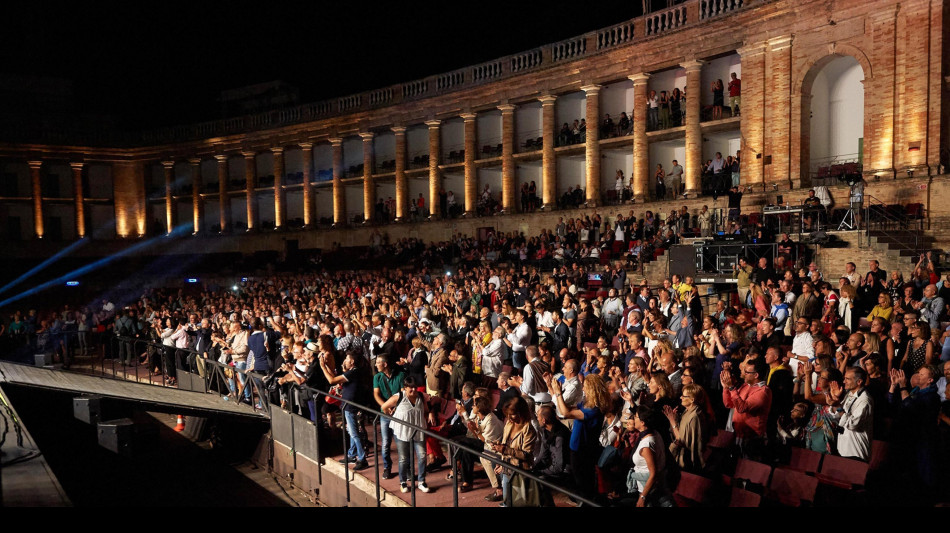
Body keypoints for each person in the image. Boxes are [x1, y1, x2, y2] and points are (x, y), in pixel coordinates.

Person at [551, 373, 610, 501]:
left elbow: (566, 413)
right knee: (579, 481)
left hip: (583, 452)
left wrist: (558, 393)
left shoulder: (593, 411)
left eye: (585, 386)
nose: (583, 389)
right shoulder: (587, 404)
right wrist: (555, 391)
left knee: (583, 483)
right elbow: (564, 408)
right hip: (577, 449)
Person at [322, 350, 372, 471]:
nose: (344, 361)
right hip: (348, 406)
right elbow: (335, 378)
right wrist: (327, 366)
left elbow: (332, 381)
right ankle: (351, 454)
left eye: (347, 359)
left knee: (354, 433)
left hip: (351, 407)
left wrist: (322, 366)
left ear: (352, 361)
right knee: (351, 431)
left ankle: (362, 459)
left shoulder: (353, 373)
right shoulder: (352, 372)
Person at [381, 376, 432, 493]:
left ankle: (421, 481)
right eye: (410, 388)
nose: (413, 390)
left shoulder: (421, 397)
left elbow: (426, 409)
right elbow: (384, 407)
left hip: (418, 430)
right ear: (405, 388)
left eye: (415, 387)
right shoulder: (398, 397)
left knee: (423, 455)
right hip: (402, 431)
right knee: (404, 458)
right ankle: (403, 482)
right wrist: (390, 414)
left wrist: (429, 414)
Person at [720, 357, 772, 459]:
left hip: (752, 440)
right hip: (739, 435)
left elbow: (742, 408)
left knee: (749, 469)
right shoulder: (745, 386)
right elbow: (729, 404)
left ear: (756, 375)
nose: (743, 373)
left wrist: (731, 388)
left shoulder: (763, 392)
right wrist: (726, 388)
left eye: (747, 372)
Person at [490, 396, 538, 507]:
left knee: (520, 502)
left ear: (521, 412)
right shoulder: (509, 424)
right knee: (508, 501)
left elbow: (526, 454)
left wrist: (505, 450)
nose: (509, 417)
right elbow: (506, 443)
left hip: (520, 471)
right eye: (507, 414)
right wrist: (499, 446)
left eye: (512, 414)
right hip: (507, 467)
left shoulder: (529, 430)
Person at [625, 405, 674, 507]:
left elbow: (653, 473)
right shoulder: (655, 433)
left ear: (642, 423)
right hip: (653, 488)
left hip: (648, 491)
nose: (633, 418)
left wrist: (642, 497)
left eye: (636, 417)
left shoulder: (646, 445)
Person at [662, 384, 712, 473]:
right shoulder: (688, 411)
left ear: (692, 400)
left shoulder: (695, 416)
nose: (681, 397)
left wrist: (672, 421)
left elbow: (681, 440)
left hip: (689, 462)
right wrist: (675, 419)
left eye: (684, 396)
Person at [373, 355, 406, 479]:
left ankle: (404, 469)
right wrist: (385, 406)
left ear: (385, 364)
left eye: (378, 362)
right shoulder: (377, 377)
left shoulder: (400, 375)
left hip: (397, 413)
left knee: (400, 442)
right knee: (386, 442)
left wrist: (396, 407)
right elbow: (376, 394)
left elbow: (403, 393)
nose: (376, 365)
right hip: (385, 413)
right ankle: (387, 467)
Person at [834, 366, 874, 461]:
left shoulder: (865, 400)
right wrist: (835, 399)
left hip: (855, 451)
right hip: (843, 447)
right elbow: (836, 415)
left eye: (847, 379)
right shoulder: (849, 394)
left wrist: (838, 407)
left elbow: (853, 424)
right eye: (844, 378)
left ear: (859, 382)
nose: (844, 382)